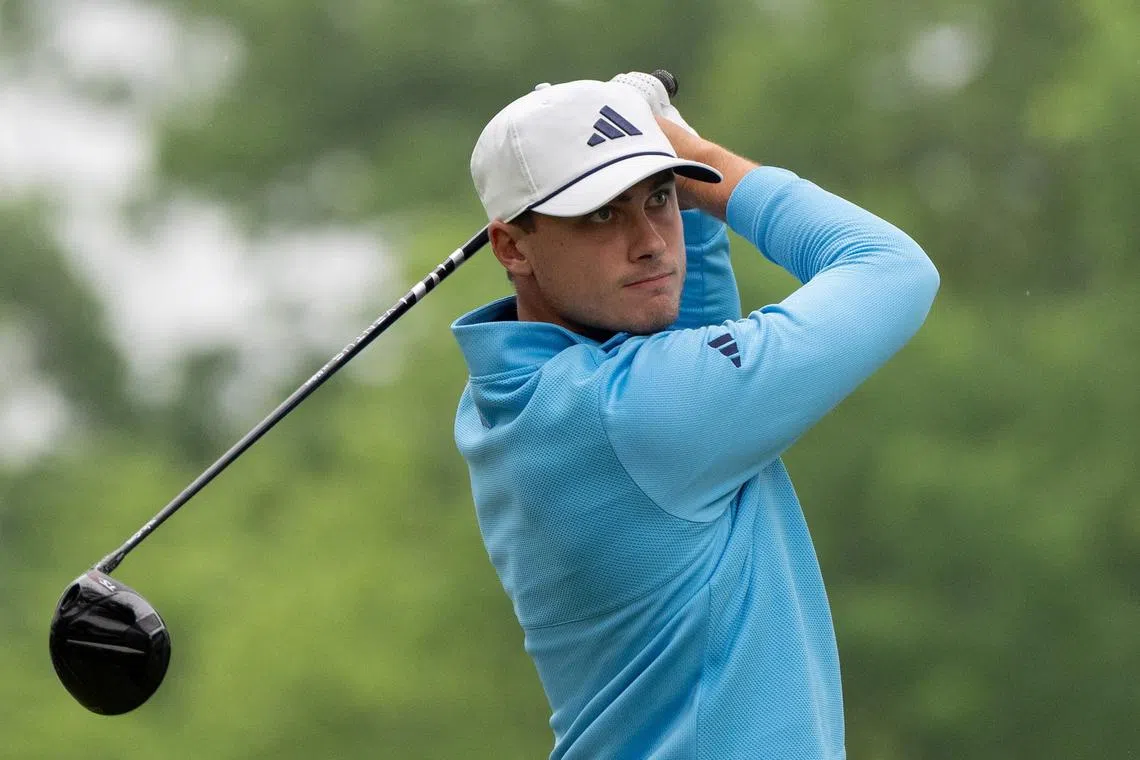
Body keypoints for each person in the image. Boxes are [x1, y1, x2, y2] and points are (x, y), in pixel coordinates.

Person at [451, 73, 939, 759]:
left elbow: (682, 320)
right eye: (601, 215)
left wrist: (658, 146)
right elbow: (892, 269)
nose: (648, 240)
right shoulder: (639, 411)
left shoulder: (510, 395)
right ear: (510, 246)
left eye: (659, 199)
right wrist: (702, 155)